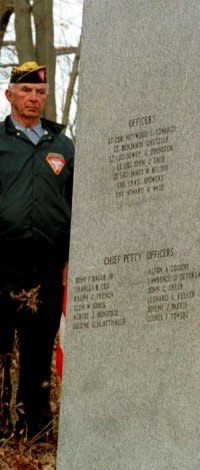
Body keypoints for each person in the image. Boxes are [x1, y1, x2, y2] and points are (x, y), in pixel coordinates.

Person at [0, 61, 74, 438]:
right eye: (25, 91)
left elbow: (76, 203)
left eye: (40, 93)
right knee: (0, 348)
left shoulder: (62, 146)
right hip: (3, 262)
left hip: (46, 265)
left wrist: (68, 259)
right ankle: (1, 425)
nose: (33, 98)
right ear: (9, 94)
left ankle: (35, 429)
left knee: (38, 346)